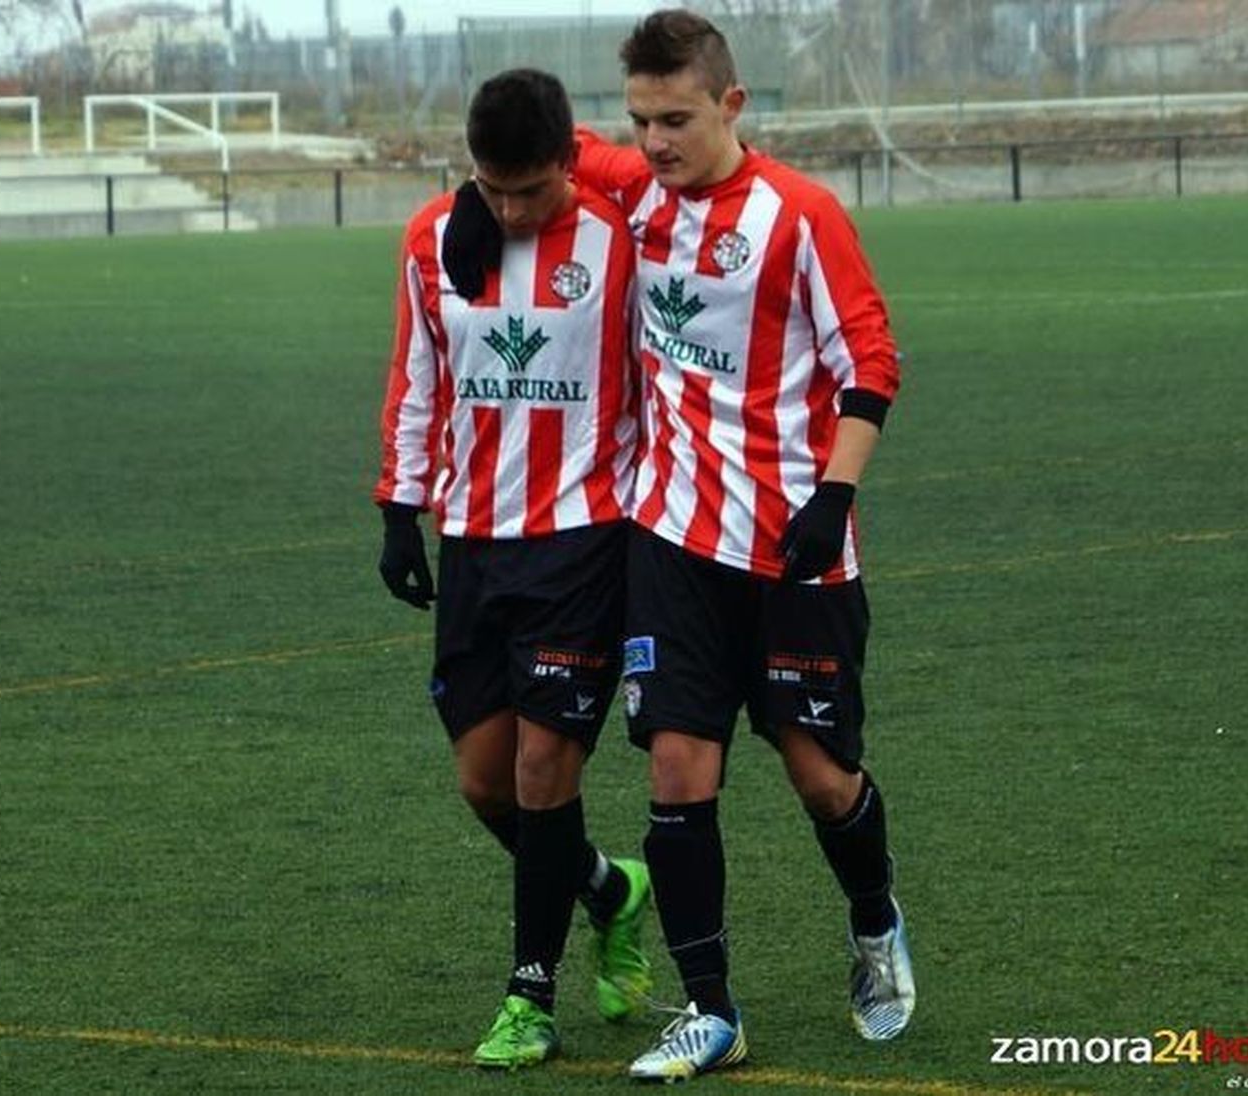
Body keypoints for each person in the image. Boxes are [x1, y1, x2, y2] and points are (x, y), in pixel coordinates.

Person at [573, 10, 915, 1081]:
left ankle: (872, 918)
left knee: (821, 777)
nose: (655, 141)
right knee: (677, 768)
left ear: (732, 105)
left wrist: (832, 496)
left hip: (793, 551)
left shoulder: (799, 214)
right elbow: (530, 143)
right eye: (639, 121)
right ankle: (711, 1008)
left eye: (675, 119)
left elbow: (871, 361)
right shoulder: (633, 189)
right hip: (669, 538)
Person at [373, 67, 651, 1070]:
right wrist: (400, 508)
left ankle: (528, 996)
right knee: (485, 781)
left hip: (585, 535)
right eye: (492, 190)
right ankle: (606, 888)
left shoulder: (621, 241)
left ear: (568, 163)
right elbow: (418, 380)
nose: (511, 209)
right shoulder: (434, 242)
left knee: (543, 769)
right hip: (474, 543)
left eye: (530, 191)